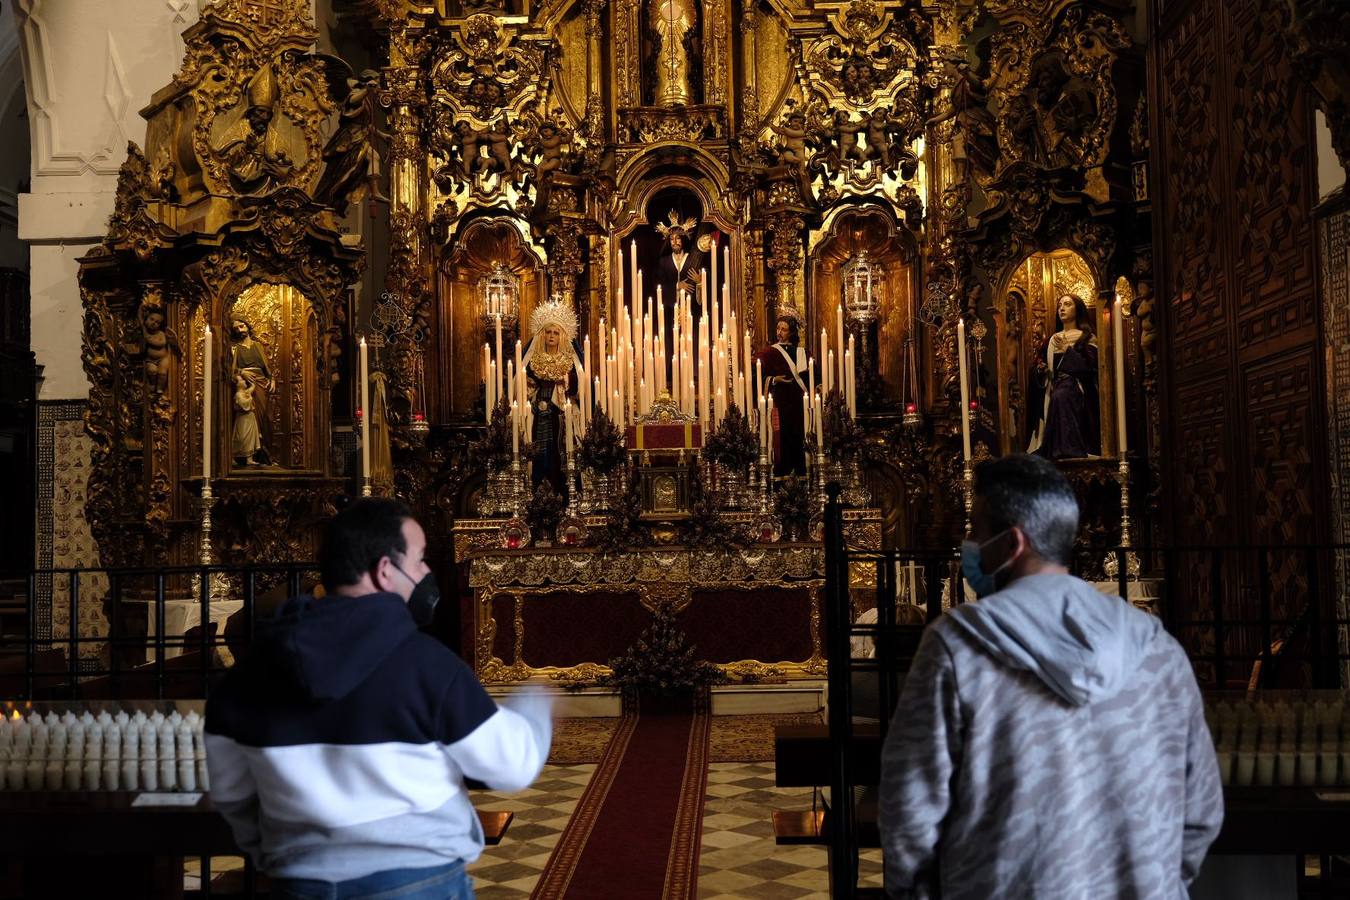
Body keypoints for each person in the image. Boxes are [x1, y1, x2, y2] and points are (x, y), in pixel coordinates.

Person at [878, 454, 1222, 899]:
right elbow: (1202, 811)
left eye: (976, 531)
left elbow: (909, 813)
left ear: (1011, 543)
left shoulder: (955, 649)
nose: (968, 543)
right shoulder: (1156, 649)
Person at [205, 498, 551, 900]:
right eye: (420, 560)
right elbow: (510, 767)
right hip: (417, 882)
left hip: (299, 885)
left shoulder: (247, 673)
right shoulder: (427, 666)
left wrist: (290, 857)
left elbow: (230, 794)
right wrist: (534, 708)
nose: (425, 573)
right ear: (385, 571)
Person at [521, 297, 583, 496]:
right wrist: (529, 386)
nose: (551, 336)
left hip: (562, 413)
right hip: (538, 412)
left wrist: (565, 380)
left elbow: (581, 383)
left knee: (560, 452)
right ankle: (537, 490)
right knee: (540, 451)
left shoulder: (569, 360)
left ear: (562, 336)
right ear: (542, 334)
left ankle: (563, 492)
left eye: (556, 332)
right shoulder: (533, 358)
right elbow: (521, 382)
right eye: (548, 331)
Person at [1027, 293, 1100, 458]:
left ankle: (1070, 448)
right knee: (1058, 396)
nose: (1062, 308)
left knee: (1062, 396)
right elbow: (1038, 367)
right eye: (1060, 305)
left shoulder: (1087, 337)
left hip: (1078, 389)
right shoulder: (1051, 341)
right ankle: (1055, 448)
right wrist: (1041, 370)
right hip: (1055, 387)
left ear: (1078, 309)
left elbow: (1090, 369)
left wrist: (1068, 350)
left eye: (1067, 304)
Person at [753, 316, 809, 477]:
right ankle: (781, 475)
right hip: (781, 403)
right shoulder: (769, 352)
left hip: (799, 405)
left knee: (799, 438)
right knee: (782, 439)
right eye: (778, 329)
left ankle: (801, 475)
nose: (779, 332)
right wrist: (773, 379)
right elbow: (756, 371)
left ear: (791, 332)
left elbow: (813, 373)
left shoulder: (802, 352)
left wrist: (817, 385)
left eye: (784, 329)